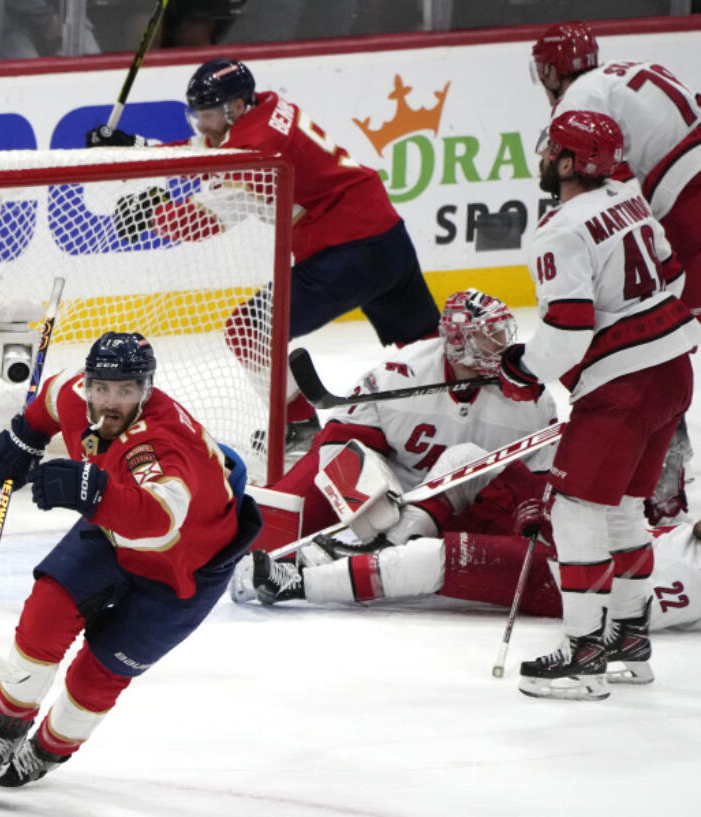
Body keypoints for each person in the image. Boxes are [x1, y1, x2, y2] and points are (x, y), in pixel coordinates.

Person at [85, 58, 441, 456]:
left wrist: (152, 215)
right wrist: (136, 149)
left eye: (205, 114)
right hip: (387, 236)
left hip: (346, 253)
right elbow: (208, 153)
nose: (200, 124)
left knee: (249, 330)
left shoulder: (255, 149)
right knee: (427, 345)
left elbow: (209, 219)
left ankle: (299, 425)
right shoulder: (266, 108)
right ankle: (472, 402)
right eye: (197, 114)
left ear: (234, 108)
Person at [0, 332, 262, 788]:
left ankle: (47, 750)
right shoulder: (78, 397)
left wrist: (93, 490)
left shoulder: (160, 444)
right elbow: (50, 395)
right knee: (46, 612)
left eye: (126, 390)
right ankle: (6, 728)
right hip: (114, 530)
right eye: (101, 388)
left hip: (185, 568)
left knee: (99, 673)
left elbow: (162, 521)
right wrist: (26, 435)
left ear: (146, 389)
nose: (110, 401)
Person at [495, 109, 700, 701]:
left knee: (576, 511)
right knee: (623, 510)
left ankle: (585, 657)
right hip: (673, 371)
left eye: (550, 150)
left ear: (566, 162)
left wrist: (523, 369)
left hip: (624, 389)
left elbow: (568, 330)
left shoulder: (558, 229)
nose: (541, 159)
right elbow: (674, 274)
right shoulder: (629, 198)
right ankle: (630, 643)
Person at [228, 288, 558, 607]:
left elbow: (537, 483)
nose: (502, 345)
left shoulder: (532, 400)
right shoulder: (399, 374)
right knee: (264, 537)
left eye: (503, 334)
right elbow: (338, 442)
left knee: (462, 471)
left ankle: (346, 559)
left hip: (464, 512)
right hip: (388, 496)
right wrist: (367, 500)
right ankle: (349, 550)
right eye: (490, 337)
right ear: (459, 343)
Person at [530, 19, 701, 524]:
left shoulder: (578, 107)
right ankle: (659, 491)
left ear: (549, 71)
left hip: (691, 226)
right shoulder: (626, 73)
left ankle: (659, 494)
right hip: (689, 212)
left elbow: (612, 190)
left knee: (650, 348)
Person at [237, 513, 701, 686]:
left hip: (563, 574)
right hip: (576, 552)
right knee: (471, 460)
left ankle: (298, 582)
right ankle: (387, 533)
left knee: (433, 560)